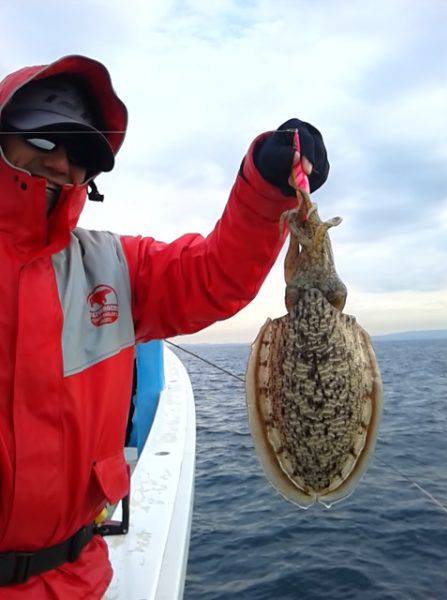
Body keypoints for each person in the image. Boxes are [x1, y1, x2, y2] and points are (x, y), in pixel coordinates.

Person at [0, 55, 329, 598]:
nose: (61, 163)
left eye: (80, 152)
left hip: (75, 581)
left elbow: (214, 276)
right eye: (43, 140)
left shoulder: (113, 268)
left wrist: (270, 186)